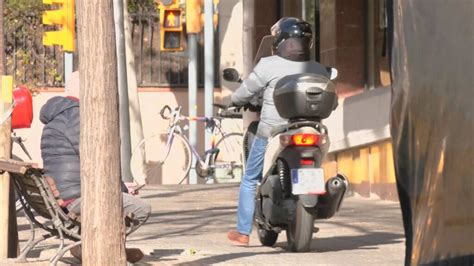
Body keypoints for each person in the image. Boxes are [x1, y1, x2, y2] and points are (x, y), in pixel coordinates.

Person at [227, 17, 330, 246]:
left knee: (250, 178)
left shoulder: (268, 65)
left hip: (273, 132)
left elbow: (244, 93)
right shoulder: (317, 68)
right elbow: (331, 102)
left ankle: (243, 233)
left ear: (280, 42)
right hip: (312, 131)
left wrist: (231, 100)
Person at [39, 71, 151, 262]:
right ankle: (104, 251)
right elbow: (98, 162)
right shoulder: (80, 116)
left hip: (60, 199)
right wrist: (122, 189)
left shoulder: (56, 116)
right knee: (142, 208)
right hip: (77, 200)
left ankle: (85, 247)